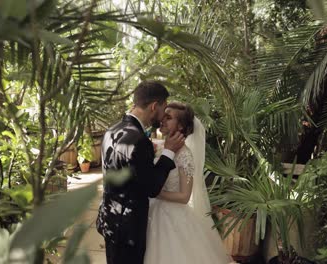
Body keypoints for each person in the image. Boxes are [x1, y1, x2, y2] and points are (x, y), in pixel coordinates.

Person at [96, 80, 185, 264]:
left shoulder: (112, 130)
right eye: (164, 108)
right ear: (154, 106)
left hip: (110, 220)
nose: (163, 116)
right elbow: (152, 187)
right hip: (129, 228)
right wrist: (168, 152)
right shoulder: (138, 140)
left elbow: (126, 169)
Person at [144, 102, 233, 264]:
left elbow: (185, 196)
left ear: (181, 127)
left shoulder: (185, 155)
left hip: (172, 218)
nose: (162, 120)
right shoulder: (161, 147)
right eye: (164, 115)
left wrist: (155, 192)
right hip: (152, 211)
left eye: (168, 117)